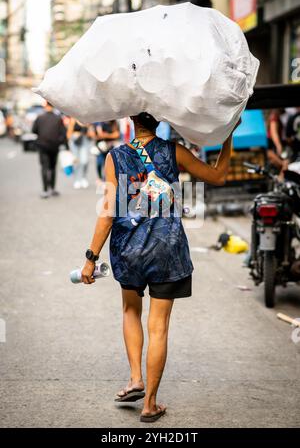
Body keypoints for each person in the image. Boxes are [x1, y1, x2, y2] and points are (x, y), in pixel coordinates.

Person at [80, 112, 236, 423]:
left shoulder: (116, 157)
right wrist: (228, 134)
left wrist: (90, 257)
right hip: (167, 250)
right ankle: (150, 404)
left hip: (129, 250)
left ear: (130, 121)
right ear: (161, 119)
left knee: (130, 312)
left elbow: (108, 212)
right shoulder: (174, 152)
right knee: (159, 326)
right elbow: (218, 176)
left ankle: (136, 378)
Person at [32, 101, 67, 198]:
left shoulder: (39, 118)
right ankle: (52, 189)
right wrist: (60, 143)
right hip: (54, 147)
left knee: (44, 167)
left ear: (45, 106)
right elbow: (63, 134)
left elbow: (34, 130)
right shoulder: (58, 118)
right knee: (52, 167)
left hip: (42, 146)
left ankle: (45, 190)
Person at [67, 118, 92, 189]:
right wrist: (69, 145)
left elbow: (91, 133)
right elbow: (69, 133)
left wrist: (87, 127)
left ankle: (83, 177)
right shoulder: (73, 119)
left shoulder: (87, 119)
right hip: (74, 141)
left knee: (84, 161)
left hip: (84, 140)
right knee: (76, 161)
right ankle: (77, 179)